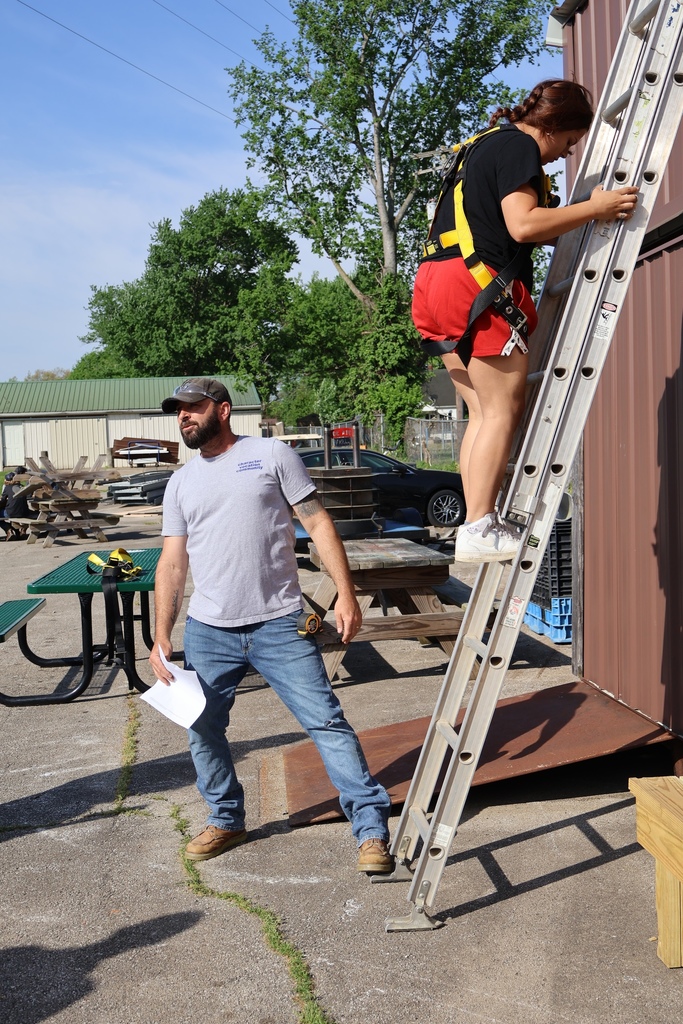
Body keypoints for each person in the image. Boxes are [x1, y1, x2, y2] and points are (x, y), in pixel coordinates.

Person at [149, 377, 393, 873]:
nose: (184, 417)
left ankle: (370, 829)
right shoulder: (181, 483)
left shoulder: (272, 455)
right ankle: (226, 818)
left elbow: (318, 523)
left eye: (193, 408)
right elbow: (172, 563)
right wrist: (160, 633)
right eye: (178, 410)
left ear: (222, 409)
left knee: (326, 722)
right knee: (203, 728)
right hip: (208, 630)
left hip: (280, 622)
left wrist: (346, 594)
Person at [412, 79, 639, 562]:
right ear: (554, 127)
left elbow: (516, 226)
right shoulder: (520, 147)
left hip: (436, 284)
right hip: (475, 286)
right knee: (501, 413)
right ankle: (479, 525)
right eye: (571, 142)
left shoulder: (483, 144)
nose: (564, 156)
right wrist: (596, 207)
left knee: (480, 413)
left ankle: (475, 522)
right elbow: (523, 225)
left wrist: (579, 217)